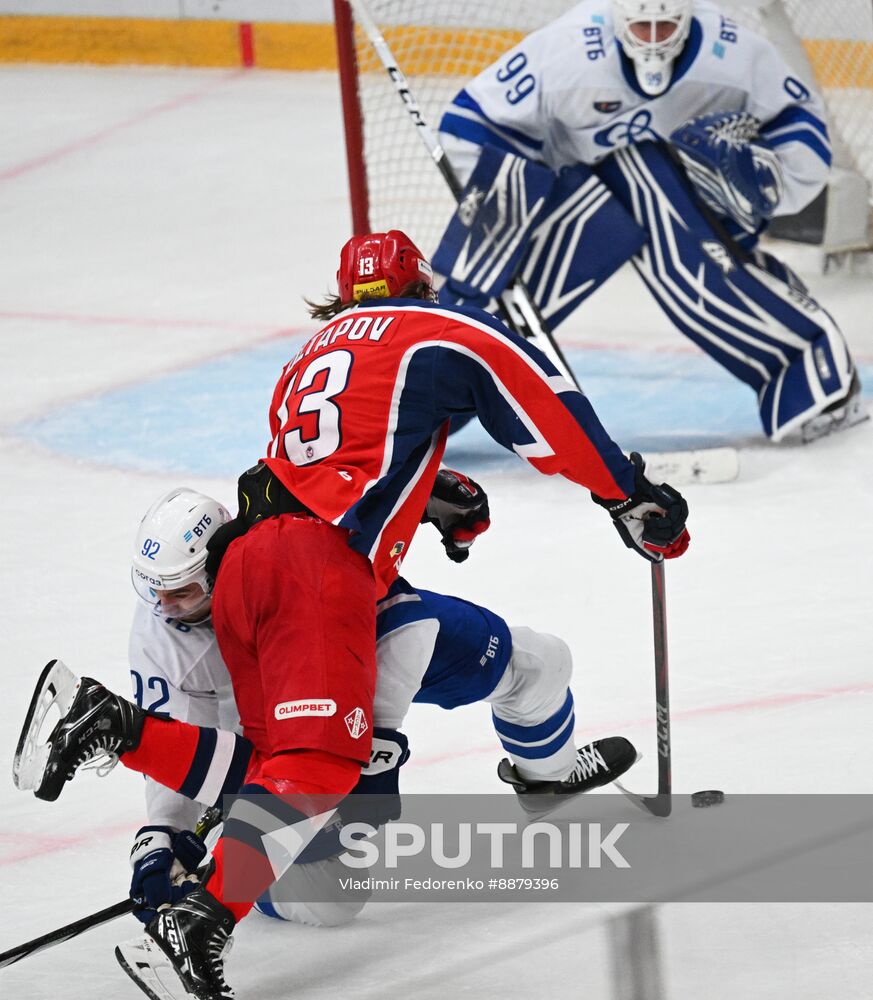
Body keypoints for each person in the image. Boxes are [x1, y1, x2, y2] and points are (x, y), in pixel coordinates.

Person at [15, 230, 690, 1000]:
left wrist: (429, 493)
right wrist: (626, 494)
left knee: (525, 663)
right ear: (423, 287)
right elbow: (543, 405)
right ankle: (171, 841)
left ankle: (544, 774)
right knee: (323, 785)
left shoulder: (306, 359)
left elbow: (326, 460)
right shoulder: (440, 329)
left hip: (277, 569)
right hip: (320, 577)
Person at [124, 482, 630, 930]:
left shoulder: (277, 555)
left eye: (182, 593)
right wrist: (164, 835)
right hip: (292, 741)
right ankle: (235, 877)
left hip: (370, 640)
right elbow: (180, 743)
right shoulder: (163, 639)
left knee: (538, 663)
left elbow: (365, 491)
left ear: (216, 564)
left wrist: (379, 736)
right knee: (331, 895)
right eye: (154, 592)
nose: (166, 610)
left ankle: (549, 780)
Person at [437, 0, 865, 443]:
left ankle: (812, 379)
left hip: (679, 189)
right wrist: (514, 208)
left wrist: (765, 185)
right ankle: (422, 402)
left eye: (666, 26)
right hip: (568, 187)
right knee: (501, 293)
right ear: (617, 18)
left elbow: (799, 121)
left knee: (701, 272)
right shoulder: (567, 49)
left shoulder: (732, 50)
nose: (655, 39)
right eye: (643, 26)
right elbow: (471, 121)